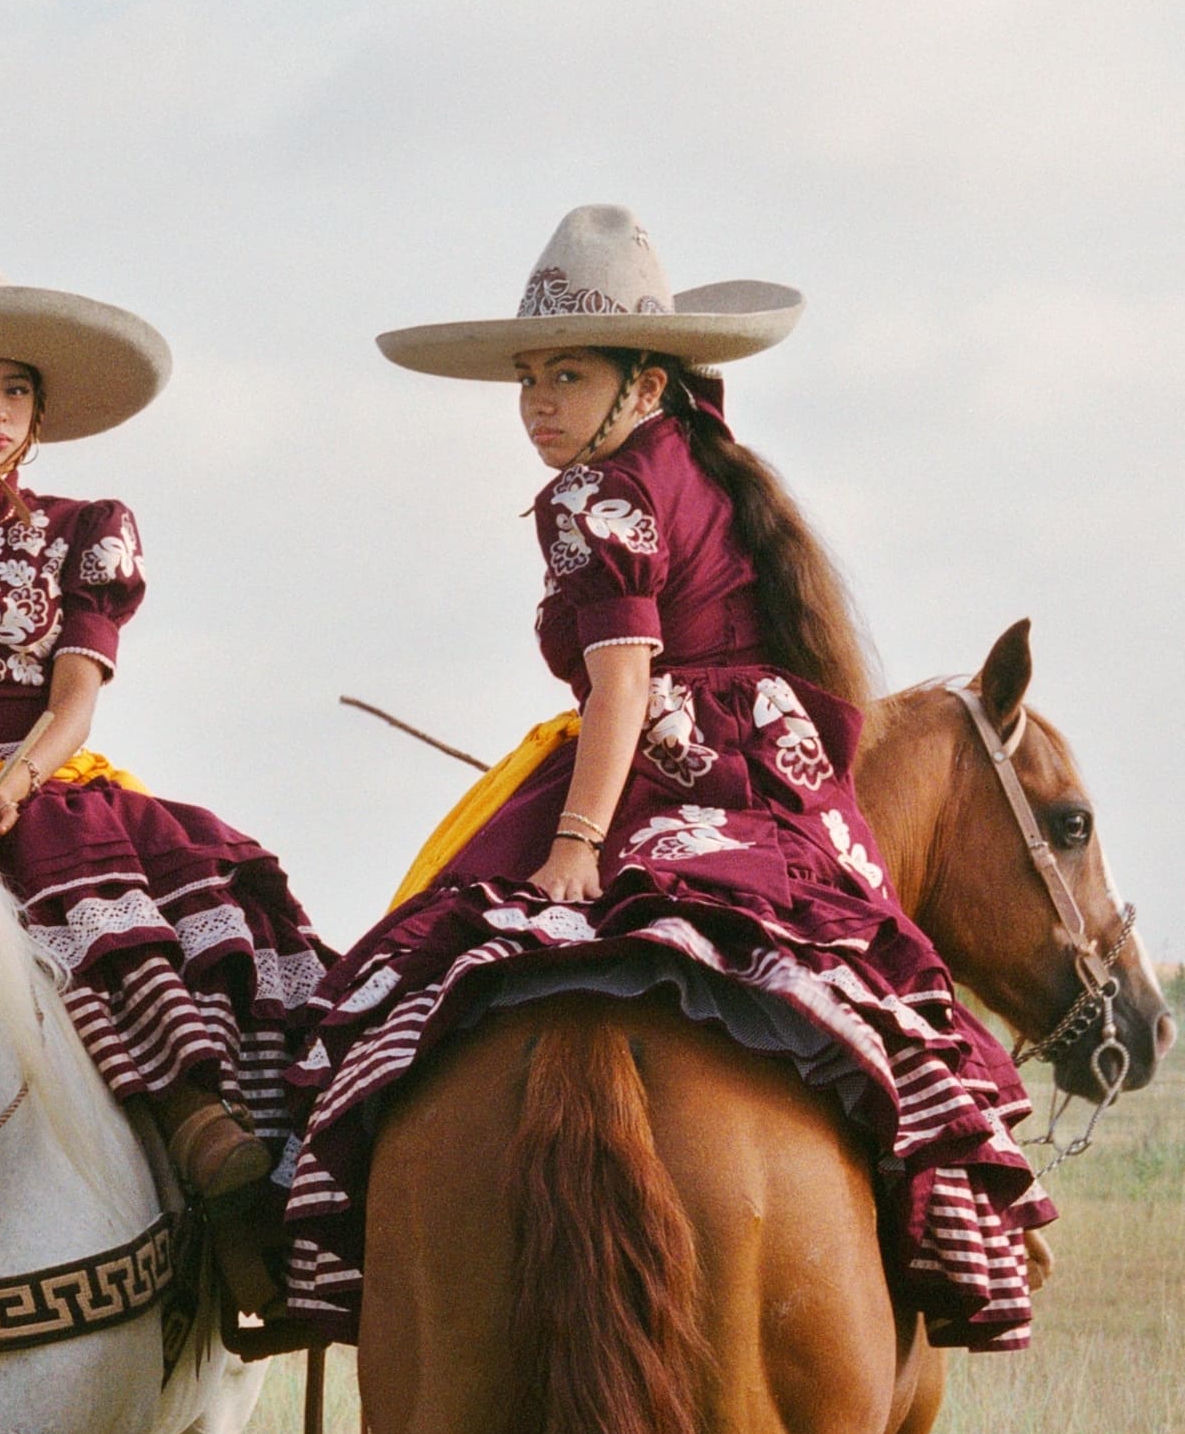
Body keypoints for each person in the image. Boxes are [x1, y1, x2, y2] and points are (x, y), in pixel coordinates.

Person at [282, 204, 1051, 1345]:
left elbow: (627, 688)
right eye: (529, 375)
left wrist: (579, 840)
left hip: (660, 768)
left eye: (568, 373)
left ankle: (316, 1240)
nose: (538, 402)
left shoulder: (596, 497)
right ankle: (964, 1221)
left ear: (643, 379)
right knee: (863, 967)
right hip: (782, 777)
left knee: (412, 972)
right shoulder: (705, 460)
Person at [0, 255, 327, 1308]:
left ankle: (199, 1138)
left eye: (17, 389)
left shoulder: (85, 530)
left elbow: (75, 696)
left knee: (110, 928)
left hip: (43, 784)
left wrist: (14, 786)